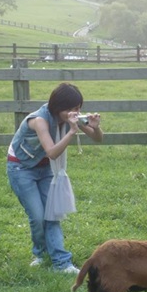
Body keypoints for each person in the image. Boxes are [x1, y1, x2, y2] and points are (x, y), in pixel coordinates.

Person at [7, 82, 103, 273]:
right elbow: (52, 152)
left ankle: (62, 262)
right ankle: (41, 254)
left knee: (52, 214)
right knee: (37, 216)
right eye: (73, 109)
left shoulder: (70, 117)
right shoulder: (39, 120)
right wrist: (72, 131)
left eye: (79, 108)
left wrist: (95, 127)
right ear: (60, 107)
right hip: (21, 168)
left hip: (45, 168)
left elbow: (97, 138)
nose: (76, 112)